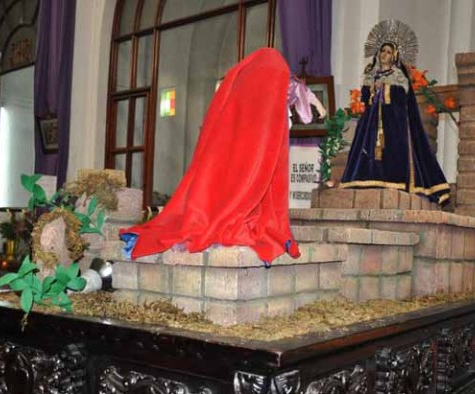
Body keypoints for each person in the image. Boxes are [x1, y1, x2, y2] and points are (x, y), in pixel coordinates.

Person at [120, 48, 314, 266]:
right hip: (228, 208)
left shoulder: (238, 105)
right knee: (229, 209)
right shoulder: (259, 112)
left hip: (220, 201)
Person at [340, 20, 450, 205]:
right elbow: (365, 100)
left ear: (394, 56)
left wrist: (385, 88)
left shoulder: (399, 76)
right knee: (365, 151)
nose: (384, 54)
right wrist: (372, 90)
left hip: (392, 124)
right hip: (370, 124)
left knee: (393, 151)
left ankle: (392, 180)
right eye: (382, 51)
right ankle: (365, 178)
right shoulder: (371, 76)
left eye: (388, 52)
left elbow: (401, 100)